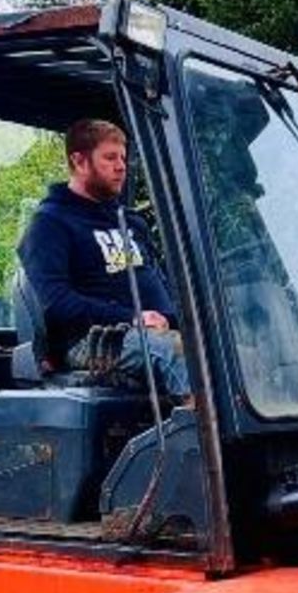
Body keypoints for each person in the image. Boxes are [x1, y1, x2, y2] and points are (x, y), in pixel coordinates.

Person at [19, 119, 192, 399]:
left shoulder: (131, 221)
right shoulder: (50, 223)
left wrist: (181, 320)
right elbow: (57, 302)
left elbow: (160, 283)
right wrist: (132, 318)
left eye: (123, 157)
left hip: (149, 332)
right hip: (93, 340)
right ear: (79, 161)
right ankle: (202, 436)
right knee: (173, 350)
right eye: (110, 157)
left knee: (234, 354)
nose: (121, 166)